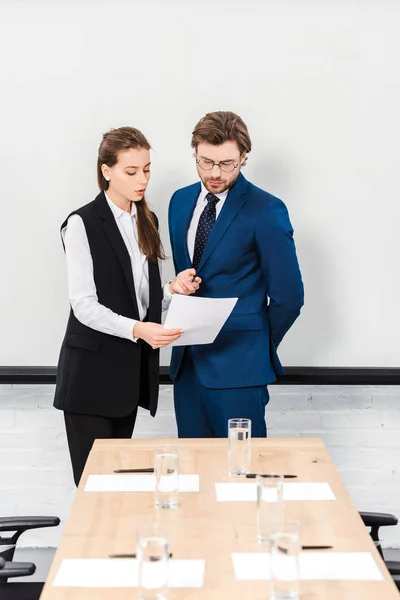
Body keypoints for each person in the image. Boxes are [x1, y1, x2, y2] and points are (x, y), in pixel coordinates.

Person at [54, 126, 200, 486]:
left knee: (118, 488)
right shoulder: (81, 224)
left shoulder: (145, 221)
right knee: (95, 490)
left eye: (147, 169)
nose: (142, 179)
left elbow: (140, 300)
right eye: (131, 171)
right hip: (89, 380)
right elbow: (83, 305)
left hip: (126, 380)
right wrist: (138, 330)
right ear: (106, 170)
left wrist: (172, 290)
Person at [168, 111, 304, 438]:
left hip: (240, 368)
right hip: (186, 366)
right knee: (192, 476)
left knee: (241, 477)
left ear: (244, 157)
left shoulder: (266, 210)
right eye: (205, 161)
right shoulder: (179, 201)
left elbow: (289, 297)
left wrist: (256, 343)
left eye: (227, 163)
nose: (215, 173)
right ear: (195, 153)